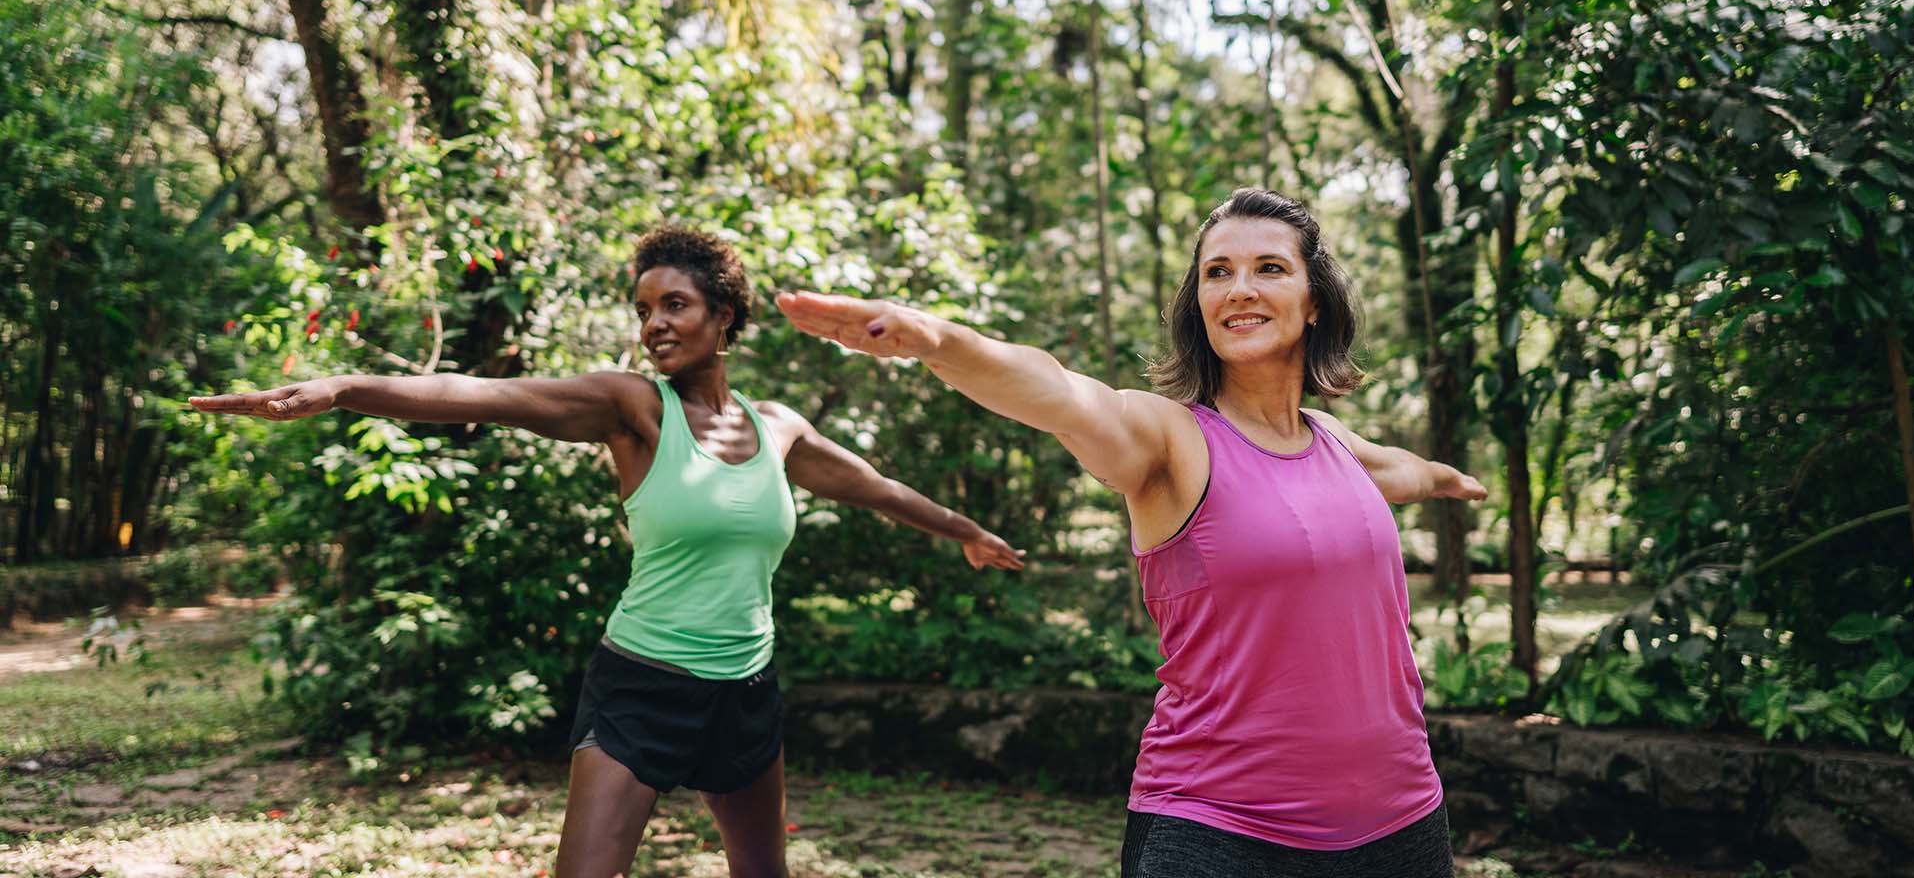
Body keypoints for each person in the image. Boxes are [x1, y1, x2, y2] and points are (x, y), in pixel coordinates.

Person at [190, 225, 1025, 878]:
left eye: (675, 305)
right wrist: (342, 390)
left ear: (723, 316)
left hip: (746, 690)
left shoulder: (776, 429)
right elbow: (483, 395)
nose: (654, 325)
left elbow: (872, 486)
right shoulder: (632, 408)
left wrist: (965, 532)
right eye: (644, 310)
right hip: (642, 685)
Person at [777, 188, 1486, 878]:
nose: (1239, 288)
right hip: (1222, 833)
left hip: (1403, 823)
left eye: (1269, 267)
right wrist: (936, 340)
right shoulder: (1172, 439)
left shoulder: (1330, 439)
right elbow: (1063, 395)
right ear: (1199, 305)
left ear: (1314, 302)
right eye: (1218, 273)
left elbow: (1396, 471)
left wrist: (1444, 477)